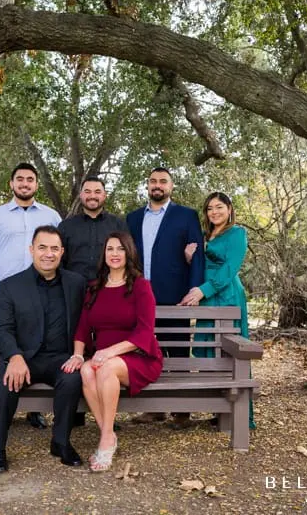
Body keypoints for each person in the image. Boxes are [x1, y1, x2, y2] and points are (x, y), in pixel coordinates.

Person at [0, 226, 87, 473]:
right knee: (8, 382)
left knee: (73, 378)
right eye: (42, 247)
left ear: (62, 252)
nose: (48, 254)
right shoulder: (11, 286)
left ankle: (61, 442)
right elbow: (3, 328)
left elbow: (87, 321)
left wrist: (79, 354)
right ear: (32, 250)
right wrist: (15, 357)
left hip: (59, 358)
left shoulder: (77, 284)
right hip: (23, 357)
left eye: (54, 248)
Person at [62, 232, 162, 471]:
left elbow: (145, 332)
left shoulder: (140, 286)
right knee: (86, 371)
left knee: (104, 368)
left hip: (139, 355)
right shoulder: (95, 287)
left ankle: (106, 441)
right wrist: (78, 354)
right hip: (105, 356)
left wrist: (109, 352)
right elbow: (83, 327)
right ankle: (108, 434)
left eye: (120, 249)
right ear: (104, 254)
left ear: (128, 253)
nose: (115, 254)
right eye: (110, 249)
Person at [0, 162, 61, 430]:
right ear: (11, 184)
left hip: (44, 291)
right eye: (20, 179)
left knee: (40, 348)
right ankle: (6, 405)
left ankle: (34, 411)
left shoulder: (51, 215)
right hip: (6, 294)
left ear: (36, 184)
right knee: (10, 351)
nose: (25, 183)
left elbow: (58, 253)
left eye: (30, 179)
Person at [126, 167, 204, 428]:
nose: (157, 185)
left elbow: (197, 255)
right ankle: (153, 408)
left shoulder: (186, 216)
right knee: (145, 352)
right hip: (139, 297)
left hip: (174, 297)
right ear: (147, 186)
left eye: (162, 181)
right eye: (152, 181)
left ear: (171, 186)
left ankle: (181, 410)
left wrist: (193, 290)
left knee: (178, 350)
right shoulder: (133, 218)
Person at [179, 191, 255, 430]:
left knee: (229, 351)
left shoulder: (237, 234)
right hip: (206, 297)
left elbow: (230, 268)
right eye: (210, 208)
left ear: (229, 209)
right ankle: (219, 409)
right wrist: (190, 258)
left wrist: (205, 290)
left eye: (219, 207)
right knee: (205, 350)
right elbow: (204, 265)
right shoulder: (204, 235)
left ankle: (239, 414)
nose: (215, 212)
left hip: (226, 295)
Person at [58, 175, 127, 428]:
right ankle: (75, 411)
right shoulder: (66, 226)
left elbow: (126, 255)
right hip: (74, 295)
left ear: (104, 195)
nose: (92, 195)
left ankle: (108, 413)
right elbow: (59, 262)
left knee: (105, 348)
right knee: (75, 347)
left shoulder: (118, 224)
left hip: (109, 292)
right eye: (87, 191)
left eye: (97, 191)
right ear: (81, 195)